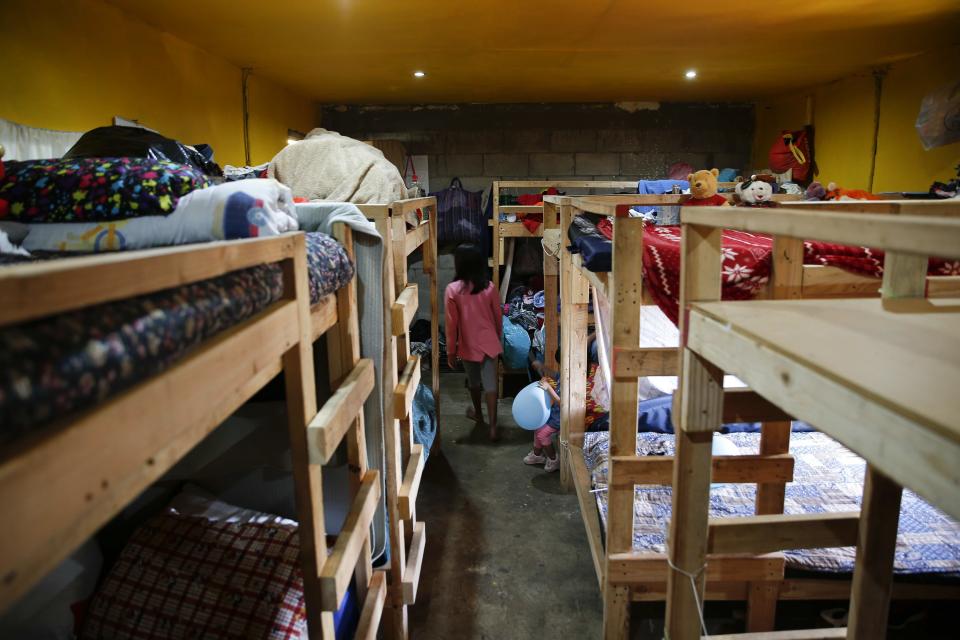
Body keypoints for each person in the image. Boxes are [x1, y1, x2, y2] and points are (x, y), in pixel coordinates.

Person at [445, 243, 503, 441]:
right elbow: (498, 317)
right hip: (489, 343)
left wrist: (450, 351)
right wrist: (497, 339)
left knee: (474, 382)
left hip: (468, 344)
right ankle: (493, 427)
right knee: (490, 384)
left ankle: (478, 413)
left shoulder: (452, 290)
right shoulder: (490, 287)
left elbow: (451, 325)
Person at [524, 374, 561, 472]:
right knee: (538, 427)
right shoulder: (563, 375)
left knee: (542, 434)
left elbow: (563, 403)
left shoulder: (572, 382)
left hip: (560, 417)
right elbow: (555, 374)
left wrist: (548, 388)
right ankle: (537, 455)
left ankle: (554, 459)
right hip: (554, 413)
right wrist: (546, 376)